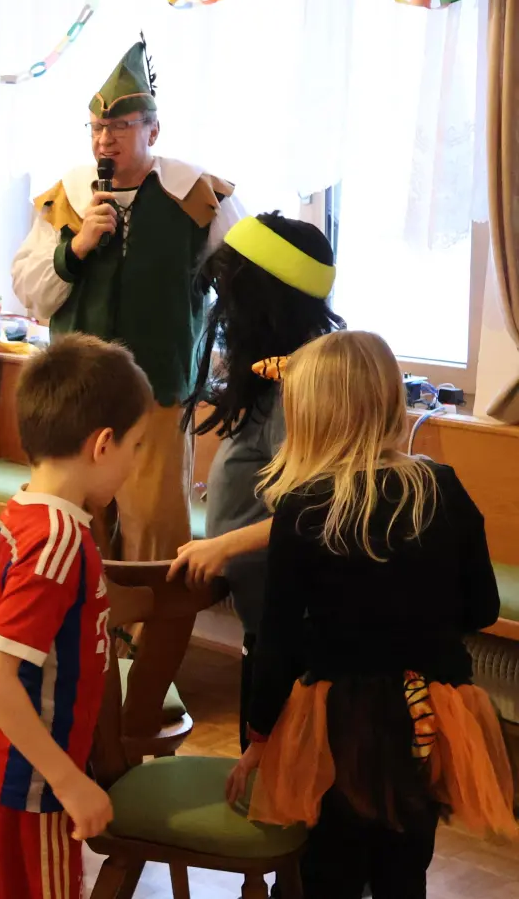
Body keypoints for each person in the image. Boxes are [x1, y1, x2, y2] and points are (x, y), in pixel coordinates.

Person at [229, 330, 517, 897]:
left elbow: (279, 642)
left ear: (313, 417)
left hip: (336, 723)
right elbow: (482, 605)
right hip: (430, 714)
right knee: (405, 866)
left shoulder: (304, 507)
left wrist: (259, 740)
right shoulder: (442, 486)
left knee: (328, 869)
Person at [10, 40, 244, 562]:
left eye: (120, 127)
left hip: (158, 398)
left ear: (152, 131)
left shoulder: (198, 198)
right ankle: (79, 629)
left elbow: (242, 286)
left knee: (154, 531)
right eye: (96, 128)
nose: (105, 139)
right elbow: (30, 289)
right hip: (77, 399)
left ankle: (145, 641)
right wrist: (77, 248)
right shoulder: (66, 198)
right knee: (73, 529)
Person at [0, 334, 151, 899]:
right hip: (32, 781)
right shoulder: (59, 539)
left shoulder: (24, 513)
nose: (136, 463)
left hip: (8, 771)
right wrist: (70, 782)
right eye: (136, 447)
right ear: (103, 444)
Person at [168, 213, 344, 749]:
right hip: (271, 623)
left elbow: (315, 514)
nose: (223, 312)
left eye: (231, 294)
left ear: (268, 301)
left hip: (295, 631)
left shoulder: (300, 388)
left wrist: (222, 545)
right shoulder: (280, 377)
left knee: (279, 780)